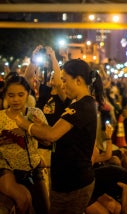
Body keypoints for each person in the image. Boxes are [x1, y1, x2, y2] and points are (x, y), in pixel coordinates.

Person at [14, 59, 104, 214]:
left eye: (64, 80)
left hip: (74, 184)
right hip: (64, 182)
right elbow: (58, 136)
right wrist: (40, 127)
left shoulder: (82, 106)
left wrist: (24, 124)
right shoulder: (77, 103)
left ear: (78, 80)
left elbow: (52, 135)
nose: (61, 84)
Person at [0, 74, 50, 214]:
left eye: (20, 95)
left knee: (45, 209)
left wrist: (31, 130)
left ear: (27, 94)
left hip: (33, 171)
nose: (15, 99)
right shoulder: (1, 117)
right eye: (11, 95)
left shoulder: (35, 114)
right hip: (8, 172)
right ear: (5, 96)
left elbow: (47, 141)